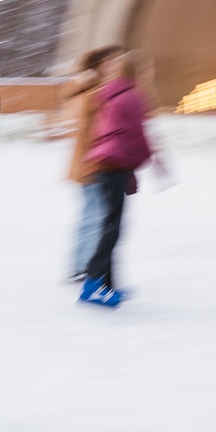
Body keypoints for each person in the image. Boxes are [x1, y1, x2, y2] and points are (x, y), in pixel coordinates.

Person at [79, 50, 153, 308]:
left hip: (106, 163)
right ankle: (92, 283)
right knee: (112, 228)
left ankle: (108, 284)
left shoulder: (111, 92)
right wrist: (147, 159)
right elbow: (137, 135)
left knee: (110, 224)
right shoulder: (132, 96)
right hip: (115, 165)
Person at [65, 45, 124, 282]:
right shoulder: (92, 91)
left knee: (94, 215)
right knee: (94, 216)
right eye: (111, 61)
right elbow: (92, 129)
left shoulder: (91, 89)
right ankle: (83, 267)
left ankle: (84, 265)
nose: (115, 65)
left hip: (94, 161)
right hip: (94, 163)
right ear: (99, 65)